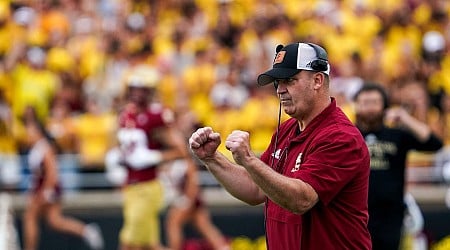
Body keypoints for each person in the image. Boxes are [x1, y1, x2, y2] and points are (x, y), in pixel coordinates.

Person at [188, 42, 372, 249]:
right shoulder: (287, 129)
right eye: (278, 82)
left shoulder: (341, 137)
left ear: (318, 80)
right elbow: (255, 189)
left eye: (289, 80)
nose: (280, 90)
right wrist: (212, 158)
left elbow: (301, 200)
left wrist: (249, 160)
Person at [353, 82, 443, 250]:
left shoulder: (397, 135)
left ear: (384, 107)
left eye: (375, 103)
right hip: (356, 214)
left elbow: (434, 144)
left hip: (391, 214)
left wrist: (405, 118)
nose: (370, 108)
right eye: (365, 103)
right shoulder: (348, 135)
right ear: (356, 106)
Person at [111, 66, 189, 250]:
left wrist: (155, 156)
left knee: (129, 242)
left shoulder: (156, 116)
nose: (137, 94)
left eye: (142, 89)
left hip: (148, 186)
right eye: (134, 89)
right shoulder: (125, 115)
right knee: (149, 244)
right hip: (130, 186)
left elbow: (180, 151)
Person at [20, 107, 103, 250]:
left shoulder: (44, 148)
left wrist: (46, 191)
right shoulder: (37, 148)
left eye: (30, 130)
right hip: (43, 187)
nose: (28, 134)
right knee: (54, 221)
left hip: (48, 188)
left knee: (30, 217)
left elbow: (52, 171)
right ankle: (85, 231)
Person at [160, 108, 230, 250]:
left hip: (188, 193)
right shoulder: (172, 138)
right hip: (188, 192)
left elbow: (190, 168)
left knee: (173, 223)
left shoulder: (176, 138)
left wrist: (188, 197)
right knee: (205, 227)